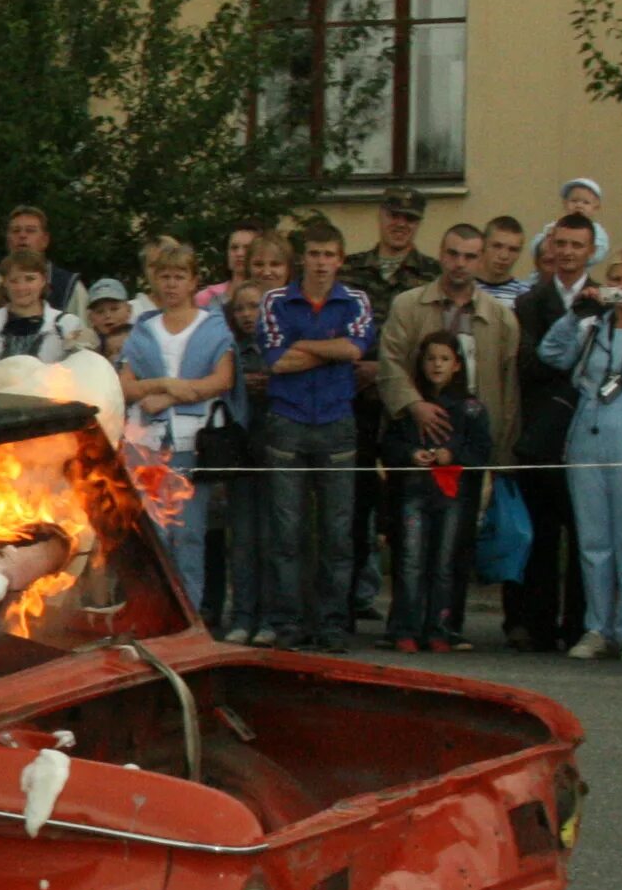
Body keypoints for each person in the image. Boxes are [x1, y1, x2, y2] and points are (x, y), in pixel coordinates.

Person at [375, 224, 521, 645]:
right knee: (410, 544)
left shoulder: (499, 316)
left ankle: (446, 625)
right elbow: (390, 362)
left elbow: (508, 389)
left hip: (469, 444)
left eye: (470, 256)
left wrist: (501, 454)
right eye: (454, 253)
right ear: (441, 253)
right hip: (415, 440)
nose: (461, 263)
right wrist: (413, 405)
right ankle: (404, 624)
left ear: (481, 260)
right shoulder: (409, 305)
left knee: (455, 545)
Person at [539, 252, 622, 661]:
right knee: (594, 542)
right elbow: (551, 353)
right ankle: (597, 627)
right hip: (588, 442)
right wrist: (578, 311)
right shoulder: (591, 328)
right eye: (617, 279)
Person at [259, 222, 377, 651]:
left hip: (336, 421)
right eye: (314, 254)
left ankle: (331, 623)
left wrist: (307, 346)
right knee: (286, 532)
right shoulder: (275, 300)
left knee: (337, 533)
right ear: (302, 258)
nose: (322, 262)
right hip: (287, 420)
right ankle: (288, 622)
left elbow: (356, 350)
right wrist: (331, 346)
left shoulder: (356, 300)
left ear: (341, 259)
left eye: (329, 255)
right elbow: (276, 361)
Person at [120, 240, 234, 608]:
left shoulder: (212, 327)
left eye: (179, 276)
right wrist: (163, 385)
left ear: (193, 281)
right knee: (153, 535)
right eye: (164, 276)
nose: (171, 284)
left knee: (188, 534)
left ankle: (191, 614)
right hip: (146, 445)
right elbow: (125, 385)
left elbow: (222, 380)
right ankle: (155, 614)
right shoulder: (143, 329)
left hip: (192, 443)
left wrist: (169, 398)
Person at [508, 212, 600, 653]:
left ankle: (582, 624)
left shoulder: (608, 298)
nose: (566, 253)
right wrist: (568, 363)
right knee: (542, 532)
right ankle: (538, 625)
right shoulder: (529, 302)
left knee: (587, 531)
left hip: (592, 430)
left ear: (590, 250)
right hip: (544, 428)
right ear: (550, 247)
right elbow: (525, 365)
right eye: (560, 244)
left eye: (576, 246)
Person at [380, 332, 492, 654]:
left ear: (457, 365)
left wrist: (451, 456)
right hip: (413, 493)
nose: (437, 365)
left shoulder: (472, 409)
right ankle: (405, 628)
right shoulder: (408, 407)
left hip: (453, 497)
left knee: (445, 563)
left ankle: (441, 627)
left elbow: (481, 451)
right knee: (410, 561)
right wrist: (411, 455)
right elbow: (389, 446)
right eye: (431, 359)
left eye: (444, 359)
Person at [215, 281, 273, 642]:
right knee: (241, 538)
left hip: (274, 446)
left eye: (254, 307)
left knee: (271, 537)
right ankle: (241, 615)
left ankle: (270, 618)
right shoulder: (227, 349)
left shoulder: (279, 346)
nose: (247, 315)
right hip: (238, 449)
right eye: (240, 309)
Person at [0, 250, 92, 373]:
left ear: (43, 280)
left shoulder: (67, 326)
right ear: (4, 283)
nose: (21, 287)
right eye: (14, 280)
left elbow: (83, 373)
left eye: (30, 279)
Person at [344, 188, 435, 307]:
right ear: (380, 215)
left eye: (410, 218)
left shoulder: (434, 274)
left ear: (419, 223)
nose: (401, 224)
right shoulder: (346, 269)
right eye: (394, 215)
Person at [0, 207, 87, 320]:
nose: (22, 236)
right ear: (8, 241)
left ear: (45, 240)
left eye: (30, 230)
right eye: (16, 231)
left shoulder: (69, 287)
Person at [477, 214, 530, 303]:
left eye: (513, 249)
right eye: (497, 246)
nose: (504, 256)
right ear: (483, 245)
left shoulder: (526, 295)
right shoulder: (464, 288)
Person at [84, 278, 136, 365]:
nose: (108, 316)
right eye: (100, 311)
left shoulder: (142, 338)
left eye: (114, 309)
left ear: (129, 309)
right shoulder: (87, 345)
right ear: (91, 318)